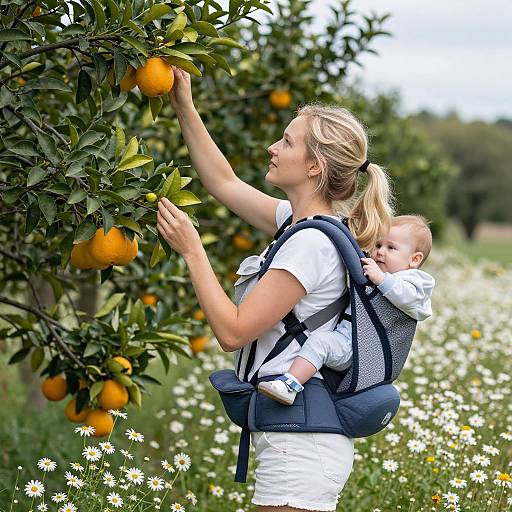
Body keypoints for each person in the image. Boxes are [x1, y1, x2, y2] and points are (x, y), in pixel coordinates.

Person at [156, 66, 394, 512]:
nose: (272, 147)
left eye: (286, 141)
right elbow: (223, 182)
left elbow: (233, 332)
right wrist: (184, 106)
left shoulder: (309, 245)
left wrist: (192, 251)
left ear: (313, 166)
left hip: (300, 447)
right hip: (298, 439)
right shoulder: (307, 225)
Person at [258, 215, 436, 405]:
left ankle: (289, 386)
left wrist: (382, 280)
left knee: (320, 344)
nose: (380, 252)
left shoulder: (417, 283)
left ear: (414, 259)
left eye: (390, 248)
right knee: (316, 342)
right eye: (378, 246)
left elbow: (410, 298)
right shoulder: (379, 273)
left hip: (360, 349)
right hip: (346, 337)